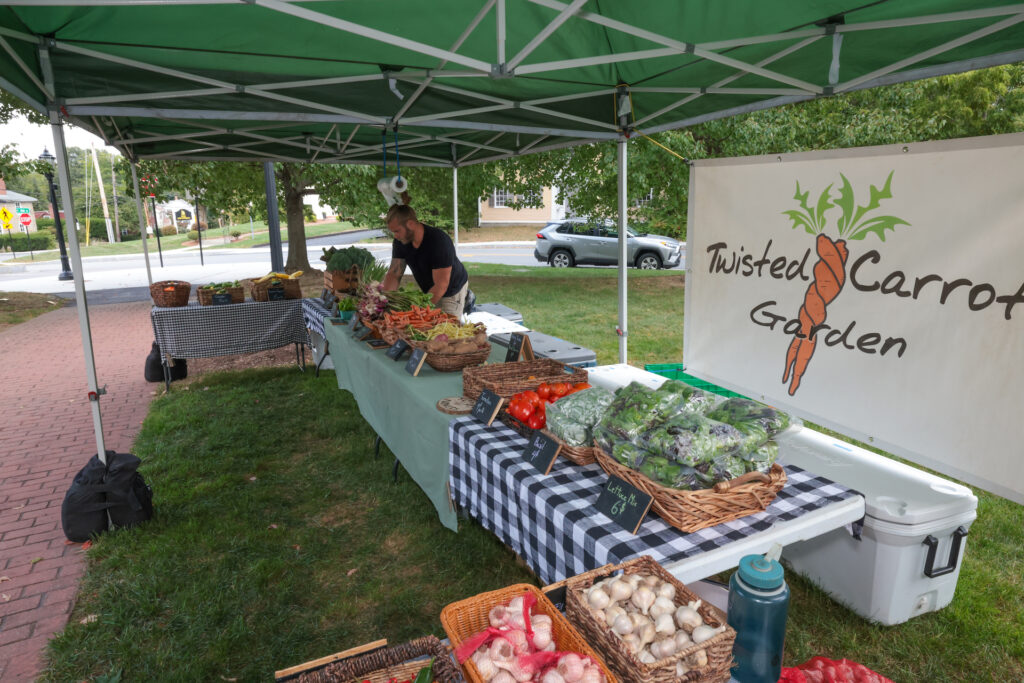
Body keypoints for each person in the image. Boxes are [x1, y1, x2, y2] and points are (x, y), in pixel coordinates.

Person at [381, 204, 469, 317]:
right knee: (426, 324)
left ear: (411, 224)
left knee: (446, 329)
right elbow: (394, 273)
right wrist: (385, 301)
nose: (395, 236)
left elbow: (441, 285)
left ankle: (466, 300)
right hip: (430, 288)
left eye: (397, 231)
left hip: (452, 290)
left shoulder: (439, 241)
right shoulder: (400, 241)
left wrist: (417, 312)